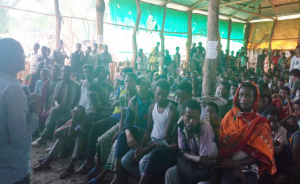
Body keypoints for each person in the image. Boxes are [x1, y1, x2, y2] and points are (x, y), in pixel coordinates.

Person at [0, 38, 41, 184]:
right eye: (22, 53)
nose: (25, 57)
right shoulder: (13, 89)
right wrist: (35, 113)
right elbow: (19, 139)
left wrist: (25, 108)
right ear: (12, 58)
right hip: (11, 172)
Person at [219, 82, 276, 184]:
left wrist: (235, 163)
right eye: (241, 95)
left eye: (248, 96)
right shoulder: (229, 117)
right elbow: (223, 144)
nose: (243, 99)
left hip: (249, 167)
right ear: (237, 96)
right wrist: (232, 167)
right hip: (228, 165)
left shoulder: (260, 123)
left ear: (255, 99)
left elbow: (260, 153)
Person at [122, 79, 178, 183]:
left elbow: (164, 137)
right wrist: (141, 146)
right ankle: (149, 179)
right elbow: (148, 129)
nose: (160, 97)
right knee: (126, 161)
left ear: (167, 94)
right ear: (154, 91)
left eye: (163, 95)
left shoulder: (171, 111)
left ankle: (147, 179)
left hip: (161, 146)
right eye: (158, 94)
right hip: (150, 142)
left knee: (142, 163)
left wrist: (146, 149)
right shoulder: (152, 107)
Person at [87, 73, 138, 184]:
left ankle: (105, 174)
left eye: (130, 81)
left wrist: (122, 131)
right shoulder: (123, 97)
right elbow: (123, 117)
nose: (127, 83)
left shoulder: (137, 97)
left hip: (132, 127)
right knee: (103, 139)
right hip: (123, 123)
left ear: (135, 83)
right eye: (126, 81)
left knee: (115, 144)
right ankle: (98, 166)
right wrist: (120, 130)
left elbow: (134, 121)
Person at [111, 75, 154, 184]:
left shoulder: (154, 99)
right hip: (138, 131)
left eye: (142, 84)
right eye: (138, 84)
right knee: (122, 136)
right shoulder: (133, 101)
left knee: (127, 155)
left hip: (151, 133)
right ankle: (118, 174)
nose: (139, 86)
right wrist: (128, 132)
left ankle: (144, 178)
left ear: (148, 85)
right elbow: (128, 121)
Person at [165, 99, 218, 184]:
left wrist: (192, 156)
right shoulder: (181, 125)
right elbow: (182, 150)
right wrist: (197, 158)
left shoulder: (204, 127)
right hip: (192, 162)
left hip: (209, 167)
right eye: (188, 117)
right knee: (170, 173)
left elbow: (205, 162)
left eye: (195, 118)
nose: (192, 122)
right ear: (182, 115)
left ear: (199, 117)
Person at [32, 65, 80, 147]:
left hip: (69, 110)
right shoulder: (59, 84)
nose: (63, 73)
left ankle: (50, 142)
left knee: (57, 120)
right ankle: (44, 138)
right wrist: (57, 105)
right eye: (62, 71)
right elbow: (55, 99)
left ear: (70, 73)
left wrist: (68, 109)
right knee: (53, 111)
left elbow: (75, 101)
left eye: (66, 72)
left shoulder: (75, 85)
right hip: (60, 108)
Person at [38, 65, 62, 133]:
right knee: (41, 114)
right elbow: (44, 98)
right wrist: (44, 108)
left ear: (59, 72)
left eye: (57, 71)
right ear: (51, 71)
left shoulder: (62, 82)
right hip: (47, 105)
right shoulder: (47, 83)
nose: (55, 72)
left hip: (57, 105)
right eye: (53, 70)